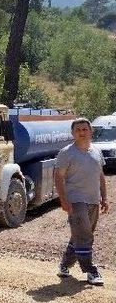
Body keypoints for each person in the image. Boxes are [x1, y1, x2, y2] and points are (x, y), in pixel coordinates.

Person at [54, 118, 109, 286]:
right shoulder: (66, 152)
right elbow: (58, 176)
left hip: (93, 200)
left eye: (85, 129)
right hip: (75, 201)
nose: (82, 132)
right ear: (73, 133)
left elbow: (100, 175)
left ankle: (64, 265)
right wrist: (63, 199)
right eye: (78, 130)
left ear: (91, 131)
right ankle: (91, 271)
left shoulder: (96, 151)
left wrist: (104, 198)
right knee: (85, 235)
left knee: (79, 235)